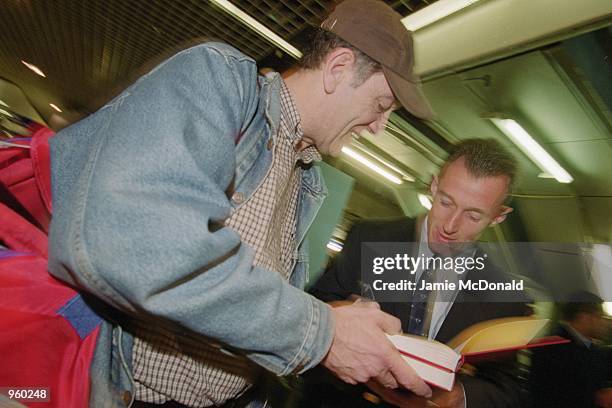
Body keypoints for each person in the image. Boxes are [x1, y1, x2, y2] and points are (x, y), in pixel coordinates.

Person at [47, 0, 435, 407]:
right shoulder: (217, 79)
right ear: (338, 69)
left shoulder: (306, 177)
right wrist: (323, 331)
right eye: (380, 105)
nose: (379, 128)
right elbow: (136, 243)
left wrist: (336, 322)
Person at [310, 139, 530, 408]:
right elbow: (313, 307)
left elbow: (507, 388)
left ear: (498, 216)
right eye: (446, 202)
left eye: (473, 216)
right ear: (434, 186)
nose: (450, 226)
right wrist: (339, 314)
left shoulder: (505, 296)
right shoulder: (369, 237)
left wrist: (458, 395)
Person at [530, 291, 612, 408]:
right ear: (584, 316)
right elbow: (551, 395)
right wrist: (597, 398)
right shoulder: (551, 349)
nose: (604, 323)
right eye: (599, 316)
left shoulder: (591, 347)